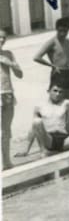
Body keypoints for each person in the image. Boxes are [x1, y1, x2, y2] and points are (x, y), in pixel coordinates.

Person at [15, 82, 69, 175]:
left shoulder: (66, 103)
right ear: (48, 91)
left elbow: (67, 122)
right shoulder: (39, 107)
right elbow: (34, 128)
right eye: (55, 91)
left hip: (64, 139)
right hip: (49, 140)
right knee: (37, 121)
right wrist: (26, 149)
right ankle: (44, 151)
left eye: (60, 92)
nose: (58, 94)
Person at [33, 18, 69, 102]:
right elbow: (37, 57)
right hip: (58, 73)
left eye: (65, 31)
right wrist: (52, 65)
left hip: (68, 72)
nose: (62, 33)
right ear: (57, 29)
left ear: (68, 30)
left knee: (68, 101)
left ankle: (67, 115)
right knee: (55, 101)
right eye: (60, 30)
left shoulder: (67, 41)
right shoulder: (52, 42)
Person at [1, 28, 24, 169]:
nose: (1, 40)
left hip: (8, 95)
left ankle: (6, 161)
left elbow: (20, 74)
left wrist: (10, 64)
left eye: (4, 37)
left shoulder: (8, 54)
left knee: (6, 130)